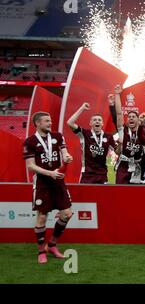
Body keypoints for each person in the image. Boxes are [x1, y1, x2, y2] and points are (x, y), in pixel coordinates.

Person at [23, 112, 73, 264]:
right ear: (37, 123)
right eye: (47, 121)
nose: (50, 123)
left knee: (66, 214)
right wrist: (49, 173)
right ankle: (40, 251)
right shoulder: (29, 141)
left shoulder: (58, 136)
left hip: (57, 180)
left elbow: (64, 153)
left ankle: (52, 244)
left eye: (50, 120)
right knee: (42, 217)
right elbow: (30, 166)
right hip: (42, 183)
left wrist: (67, 157)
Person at [66, 102, 117, 184]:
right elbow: (70, 122)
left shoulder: (108, 137)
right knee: (85, 196)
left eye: (99, 120)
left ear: (102, 123)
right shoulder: (85, 134)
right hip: (87, 174)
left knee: (101, 196)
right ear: (90, 123)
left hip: (102, 174)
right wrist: (82, 108)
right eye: (94, 120)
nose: (97, 122)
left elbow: (116, 151)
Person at [113, 84, 145, 184]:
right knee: (120, 193)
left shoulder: (142, 134)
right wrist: (117, 94)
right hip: (123, 166)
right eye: (129, 116)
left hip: (137, 167)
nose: (131, 118)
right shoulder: (123, 131)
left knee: (134, 195)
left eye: (133, 116)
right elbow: (119, 113)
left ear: (138, 120)